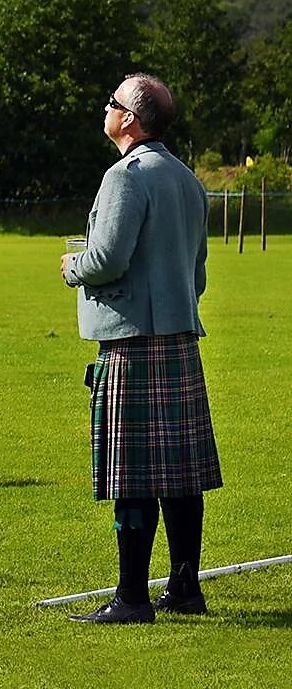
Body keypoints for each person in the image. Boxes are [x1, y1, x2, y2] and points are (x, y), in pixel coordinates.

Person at [57, 74, 219, 624]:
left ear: (130, 119)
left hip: (132, 341)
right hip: (178, 337)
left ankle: (131, 598)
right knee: (180, 471)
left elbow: (106, 259)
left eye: (112, 102)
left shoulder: (124, 178)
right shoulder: (186, 179)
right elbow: (196, 273)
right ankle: (185, 589)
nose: (106, 108)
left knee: (133, 473)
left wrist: (71, 267)